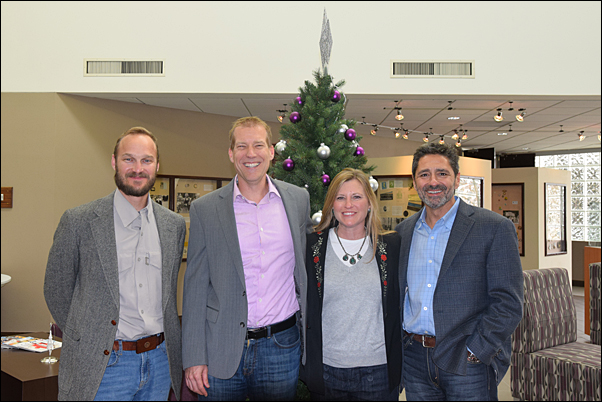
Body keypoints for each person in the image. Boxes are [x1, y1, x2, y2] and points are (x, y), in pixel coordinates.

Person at [44, 127, 187, 400]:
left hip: (159, 363)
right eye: (128, 159)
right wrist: (88, 334)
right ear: (114, 162)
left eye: (146, 160)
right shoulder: (79, 221)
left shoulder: (173, 225)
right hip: (106, 365)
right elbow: (56, 289)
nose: (137, 168)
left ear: (157, 166)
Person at [182, 116, 311, 401]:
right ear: (231, 153)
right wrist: (193, 356)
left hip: (281, 345)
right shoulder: (206, 209)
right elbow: (195, 286)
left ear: (271, 151)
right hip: (221, 348)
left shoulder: (297, 200)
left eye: (258, 145)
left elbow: (305, 271)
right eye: (242, 146)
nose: (250, 154)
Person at [395, 142, 523, 401]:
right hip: (415, 358)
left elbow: (509, 303)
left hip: (466, 361)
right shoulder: (403, 232)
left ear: (457, 179)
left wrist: (477, 350)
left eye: (442, 173)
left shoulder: (493, 227)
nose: (433, 182)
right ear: (414, 181)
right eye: (424, 174)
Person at [302, 168, 402, 401]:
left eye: (356, 197)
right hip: (327, 370)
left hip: (378, 373)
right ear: (331, 205)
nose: (348, 204)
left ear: (369, 203)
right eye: (340, 197)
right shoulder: (312, 247)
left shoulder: (390, 246)